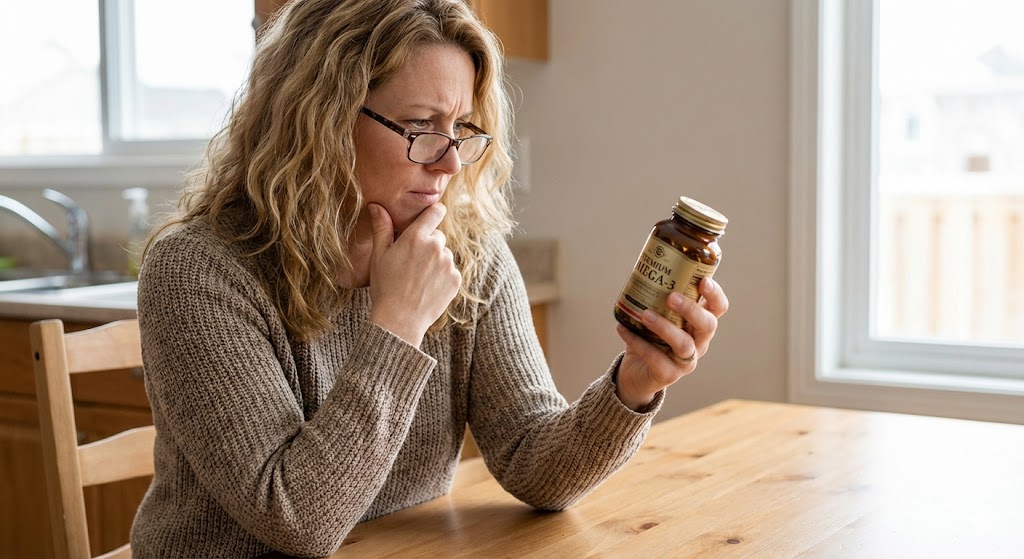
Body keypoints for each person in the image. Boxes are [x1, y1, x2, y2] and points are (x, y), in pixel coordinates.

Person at [130, 0, 729, 557]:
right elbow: (294, 521)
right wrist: (399, 321)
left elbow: (534, 465)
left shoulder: (469, 255)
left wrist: (635, 383)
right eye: (421, 126)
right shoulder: (198, 270)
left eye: (460, 128)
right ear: (320, 118)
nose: (448, 162)